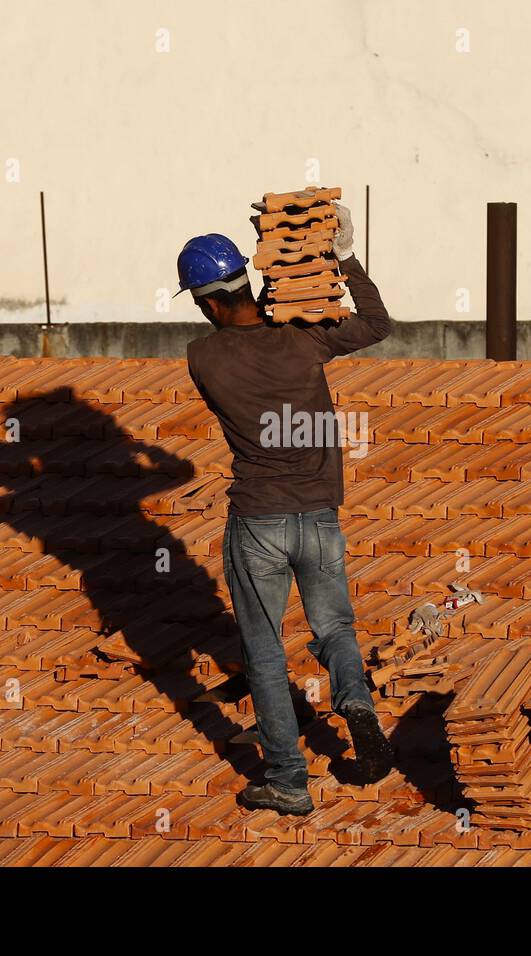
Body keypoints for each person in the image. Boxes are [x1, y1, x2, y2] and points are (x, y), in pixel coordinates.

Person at [179, 203, 394, 815]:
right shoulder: (303, 337)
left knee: (265, 650)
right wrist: (341, 259)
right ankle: (354, 701)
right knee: (335, 629)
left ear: (206, 302)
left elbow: (241, 340)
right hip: (319, 514)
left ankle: (287, 780)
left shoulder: (204, 358)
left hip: (257, 522)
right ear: (248, 278)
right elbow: (377, 324)